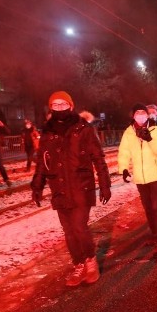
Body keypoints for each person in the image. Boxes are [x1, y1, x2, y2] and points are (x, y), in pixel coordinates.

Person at [31, 91, 112, 286]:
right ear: (51, 108)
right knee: (68, 230)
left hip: (81, 186)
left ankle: (90, 261)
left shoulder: (83, 128)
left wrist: (104, 184)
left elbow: (98, 157)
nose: (59, 108)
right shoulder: (47, 132)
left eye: (63, 104)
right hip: (59, 187)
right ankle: (78, 264)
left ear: (71, 105)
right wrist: (37, 186)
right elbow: (42, 161)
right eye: (55, 105)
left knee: (79, 227)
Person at [118, 103, 157, 250]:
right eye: (137, 112)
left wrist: (150, 139)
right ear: (133, 116)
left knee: (156, 207)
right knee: (147, 208)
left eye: (143, 112)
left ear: (147, 115)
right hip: (140, 177)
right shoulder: (128, 132)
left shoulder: (155, 129)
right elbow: (124, 152)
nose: (140, 115)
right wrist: (124, 169)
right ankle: (154, 235)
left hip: (154, 175)